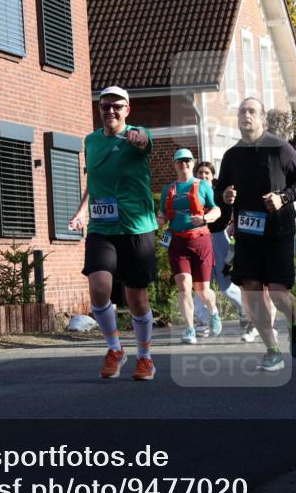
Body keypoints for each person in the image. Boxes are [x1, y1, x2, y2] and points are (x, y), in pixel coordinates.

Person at [216, 97, 296, 372]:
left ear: (262, 119)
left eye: (251, 111)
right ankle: (272, 350)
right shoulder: (232, 156)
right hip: (247, 233)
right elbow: (220, 190)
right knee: (253, 293)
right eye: (242, 111)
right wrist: (225, 195)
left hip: (278, 232)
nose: (246, 115)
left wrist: (283, 198)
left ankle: (294, 319)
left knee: (280, 295)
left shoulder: (280, 149)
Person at [68, 86, 158, 381]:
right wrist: (82, 210)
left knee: (137, 298)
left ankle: (144, 357)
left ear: (127, 110)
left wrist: (140, 138)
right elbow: (94, 179)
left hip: (136, 226)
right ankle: (115, 349)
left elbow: (145, 142)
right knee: (98, 288)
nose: (110, 111)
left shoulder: (137, 135)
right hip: (102, 227)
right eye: (105, 106)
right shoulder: (91, 141)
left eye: (117, 107)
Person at [157, 149, 222, 344]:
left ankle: (214, 311)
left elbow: (216, 209)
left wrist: (204, 218)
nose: (184, 164)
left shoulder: (202, 185)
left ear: (192, 163)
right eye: (180, 161)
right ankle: (189, 329)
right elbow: (163, 215)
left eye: (187, 160)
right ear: (174, 164)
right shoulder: (168, 189)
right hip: (177, 242)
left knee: (202, 290)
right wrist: (157, 221)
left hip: (200, 240)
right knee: (184, 287)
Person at [190, 161, 257, 339]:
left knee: (225, 284)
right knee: (200, 283)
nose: (203, 176)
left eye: (207, 173)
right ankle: (203, 323)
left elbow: (233, 209)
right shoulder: (191, 193)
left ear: (212, 177)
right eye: (200, 173)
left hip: (219, 239)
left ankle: (245, 312)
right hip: (198, 240)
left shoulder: (220, 194)